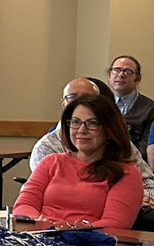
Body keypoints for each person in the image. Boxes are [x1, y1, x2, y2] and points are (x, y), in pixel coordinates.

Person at [30, 77, 154, 212]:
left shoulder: (118, 143)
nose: (80, 103)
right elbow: (52, 199)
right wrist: (127, 201)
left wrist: (144, 202)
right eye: (72, 97)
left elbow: (149, 182)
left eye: (88, 99)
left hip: (127, 218)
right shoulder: (47, 149)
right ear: (63, 103)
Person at [12, 94, 142, 230]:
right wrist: (38, 223)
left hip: (90, 245)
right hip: (40, 239)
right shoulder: (51, 162)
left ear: (109, 130)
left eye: (92, 123)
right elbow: (23, 205)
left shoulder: (126, 173)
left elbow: (114, 225)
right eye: (75, 122)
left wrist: (64, 229)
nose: (81, 130)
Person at [109, 54, 154, 160]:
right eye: (116, 70)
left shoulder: (151, 109)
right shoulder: (99, 104)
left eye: (128, 72)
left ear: (137, 79)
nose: (121, 75)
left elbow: (146, 150)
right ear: (109, 75)